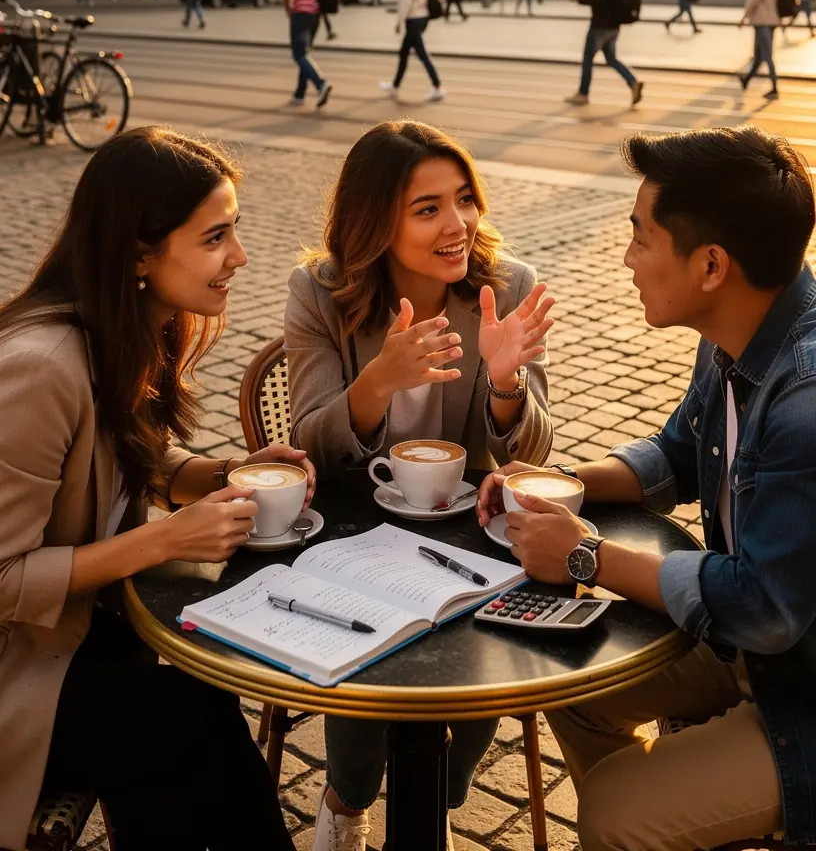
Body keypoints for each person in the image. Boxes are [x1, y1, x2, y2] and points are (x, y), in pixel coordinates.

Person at [477, 124, 816, 851]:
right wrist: (558, 482)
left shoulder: (805, 400)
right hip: (760, 654)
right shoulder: (739, 333)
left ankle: (640, 825)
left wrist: (587, 557)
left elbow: (764, 607)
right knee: (572, 686)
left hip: (801, 690)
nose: (626, 258)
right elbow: (676, 454)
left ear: (711, 266)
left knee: (613, 813)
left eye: (639, 237)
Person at [0, 126, 315, 851]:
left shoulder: (132, 325)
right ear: (138, 252)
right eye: (214, 238)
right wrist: (162, 539)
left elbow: (125, 458)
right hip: (19, 670)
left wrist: (215, 476)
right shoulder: (39, 367)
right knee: (189, 719)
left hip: (81, 639)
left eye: (233, 231)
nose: (238, 256)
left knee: (190, 711)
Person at [284, 119, 554, 851]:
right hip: (350, 531)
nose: (458, 223)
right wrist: (377, 382)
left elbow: (533, 451)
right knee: (361, 634)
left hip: (467, 540)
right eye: (427, 207)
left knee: (452, 742)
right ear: (375, 221)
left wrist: (503, 384)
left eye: (464, 199)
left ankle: (430, 791)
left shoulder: (506, 286)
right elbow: (306, 439)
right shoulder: (320, 293)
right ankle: (346, 800)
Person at [566, 0, 643, 107]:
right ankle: (633, 82)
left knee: (587, 58)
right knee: (611, 59)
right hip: (614, 24)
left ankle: (583, 93)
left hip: (600, 24)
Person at [380, 0, 445, 102]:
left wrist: (399, 21)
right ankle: (394, 86)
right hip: (423, 17)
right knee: (404, 53)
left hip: (412, 18)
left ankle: (437, 86)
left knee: (421, 54)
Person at [737, 0, 783, 100]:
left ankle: (775, 87)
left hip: (761, 18)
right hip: (773, 19)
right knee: (758, 54)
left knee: (767, 54)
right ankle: (746, 79)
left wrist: (745, 17)